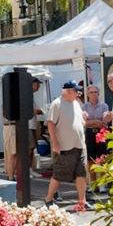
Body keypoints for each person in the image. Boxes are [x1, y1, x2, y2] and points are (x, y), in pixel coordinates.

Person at [44, 81, 94, 211]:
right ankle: (48, 198)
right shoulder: (57, 104)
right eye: (76, 91)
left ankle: (82, 201)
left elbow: (80, 122)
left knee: (81, 173)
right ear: (69, 91)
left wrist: (84, 118)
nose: (79, 93)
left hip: (79, 145)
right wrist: (55, 142)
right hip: (65, 146)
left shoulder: (76, 103)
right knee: (59, 174)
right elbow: (50, 124)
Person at [83, 85, 108, 191]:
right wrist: (95, 121)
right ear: (88, 94)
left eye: (95, 92)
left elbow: (105, 122)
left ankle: (102, 184)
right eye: (91, 92)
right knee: (91, 159)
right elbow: (83, 122)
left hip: (101, 133)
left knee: (102, 158)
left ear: (99, 93)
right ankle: (93, 184)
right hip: (89, 133)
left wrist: (92, 122)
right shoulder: (85, 106)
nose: (94, 94)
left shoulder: (104, 106)